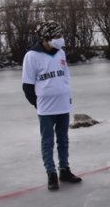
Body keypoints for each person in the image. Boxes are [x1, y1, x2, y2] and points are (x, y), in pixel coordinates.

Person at [22, 21, 82, 191]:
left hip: (63, 105)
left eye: (60, 35)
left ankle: (64, 169)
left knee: (63, 139)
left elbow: (65, 78)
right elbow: (27, 86)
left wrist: (66, 96)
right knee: (47, 141)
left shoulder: (61, 53)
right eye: (56, 36)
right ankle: (51, 173)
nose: (60, 39)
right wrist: (38, 103)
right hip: (46, 108)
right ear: (46, 38)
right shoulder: (32, 56)